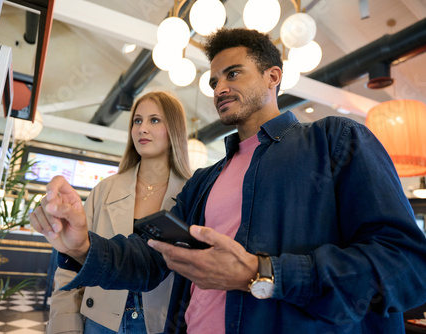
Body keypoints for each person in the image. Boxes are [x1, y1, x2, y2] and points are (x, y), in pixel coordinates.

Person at [30, 28, 426, 333]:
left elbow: (406, 266)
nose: (219, 88)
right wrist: (82, 245)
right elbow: (149, 259)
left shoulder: (334, 141)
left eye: (232, 74)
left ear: (274, 76)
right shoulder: (205, 181)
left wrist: (262, 273)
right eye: (214, 80)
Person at [44, 91, 192, 334]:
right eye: (137, 120)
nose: (142, 128)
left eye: (154, 120)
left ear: (174, 128)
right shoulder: (104, 189)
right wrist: (65, 326)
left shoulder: (192, 193)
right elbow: (70, 265)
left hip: (161, 324)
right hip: (99, 321)